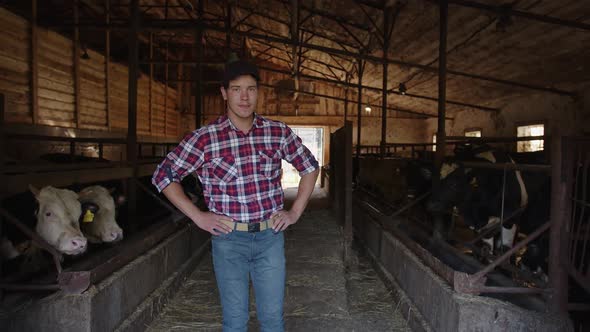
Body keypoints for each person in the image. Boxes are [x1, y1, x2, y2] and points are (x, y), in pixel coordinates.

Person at [152, 59, 319, 332]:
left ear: (258, 92)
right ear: (224, 93)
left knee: (273, 320)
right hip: (229, 241)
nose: (244, 96)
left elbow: (310, 167)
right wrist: (198, 217)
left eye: (251, 89)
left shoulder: (277, 132)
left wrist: (294, 212)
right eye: (236, 89)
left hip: (269, 238)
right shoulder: (205, 138)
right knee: (235, 322)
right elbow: (163, 176)